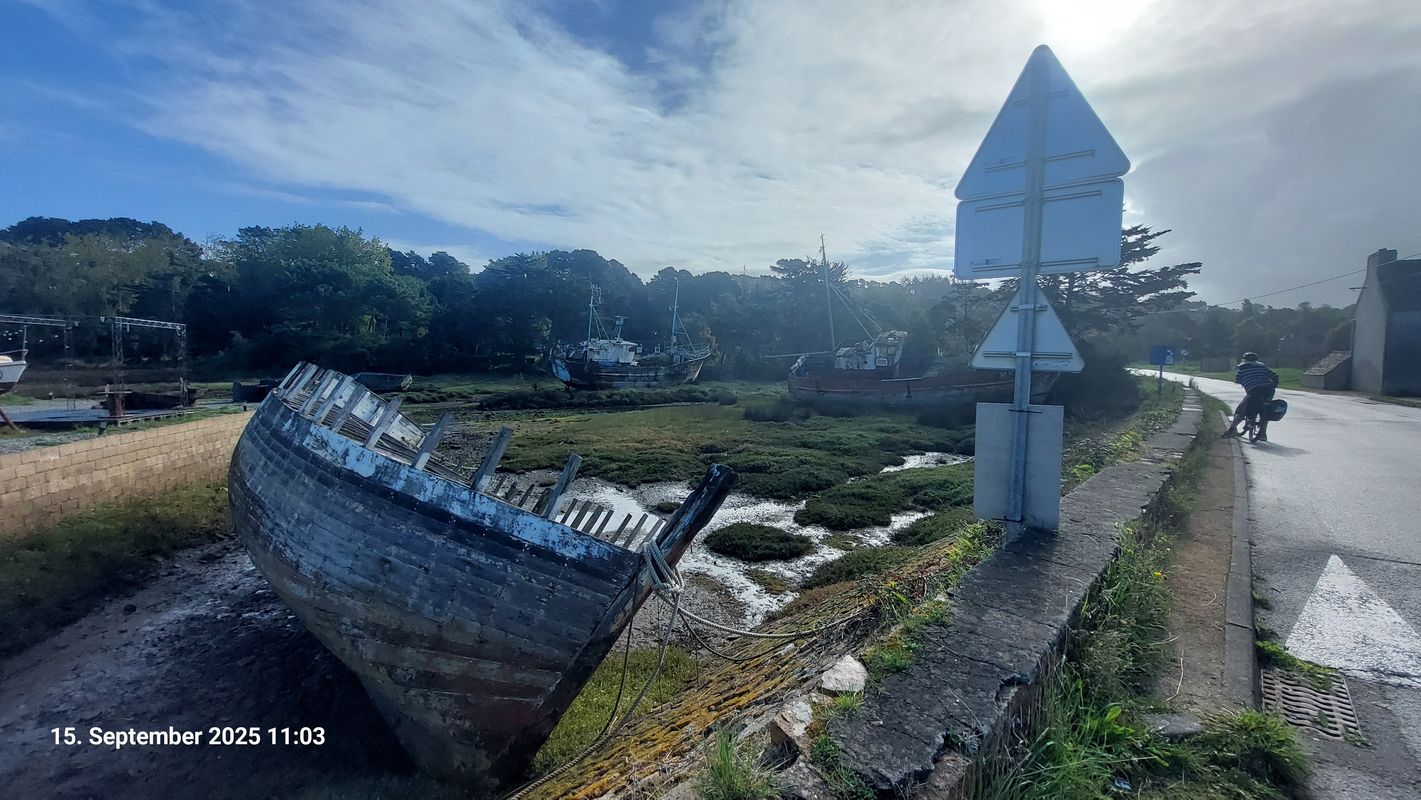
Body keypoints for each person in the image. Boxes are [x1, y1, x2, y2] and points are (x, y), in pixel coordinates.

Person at [1221, 352, 1279, 441]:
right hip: (1269, 389)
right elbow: (1274, 375)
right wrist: (1274, 384)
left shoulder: (1242, 368)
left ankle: (1233, 429)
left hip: (1254, 389)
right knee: (1265, 410)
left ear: (1244, 359)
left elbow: (1238, 379)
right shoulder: (1262, 366)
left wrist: (1242, 381)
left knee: (1243, 408)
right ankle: (1262, 434)